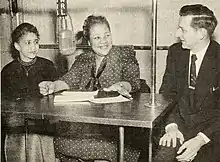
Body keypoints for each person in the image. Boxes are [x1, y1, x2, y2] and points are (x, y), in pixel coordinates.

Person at [39, 15, 141, 162]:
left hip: (114, 124)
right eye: (97, 37)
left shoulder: (124, 54)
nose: (104, 41)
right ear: (88, 40)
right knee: (62, 141)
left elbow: (133, 81)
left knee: (108, 146)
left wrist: (121, 86)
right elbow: (68, 79)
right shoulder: (83, 59)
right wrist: (52, 86)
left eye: (107, 35)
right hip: (84, 123)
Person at [153, 4, 220, 162]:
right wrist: (171, 126)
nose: (177, 34)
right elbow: (166, 95)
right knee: (161, 155)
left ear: (202, 33)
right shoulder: (175, 53)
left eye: (183, 30)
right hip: (177, 126)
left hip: (212, 134)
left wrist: (201, 139)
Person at [1, 22, 58, 161]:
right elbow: (5, 103)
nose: (33, 47)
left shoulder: (47, 66)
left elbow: (56, 97)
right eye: (28, 43)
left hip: (42, 123)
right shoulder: (8, 71)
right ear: (17, 46)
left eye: (36, 42)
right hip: (17, 125)